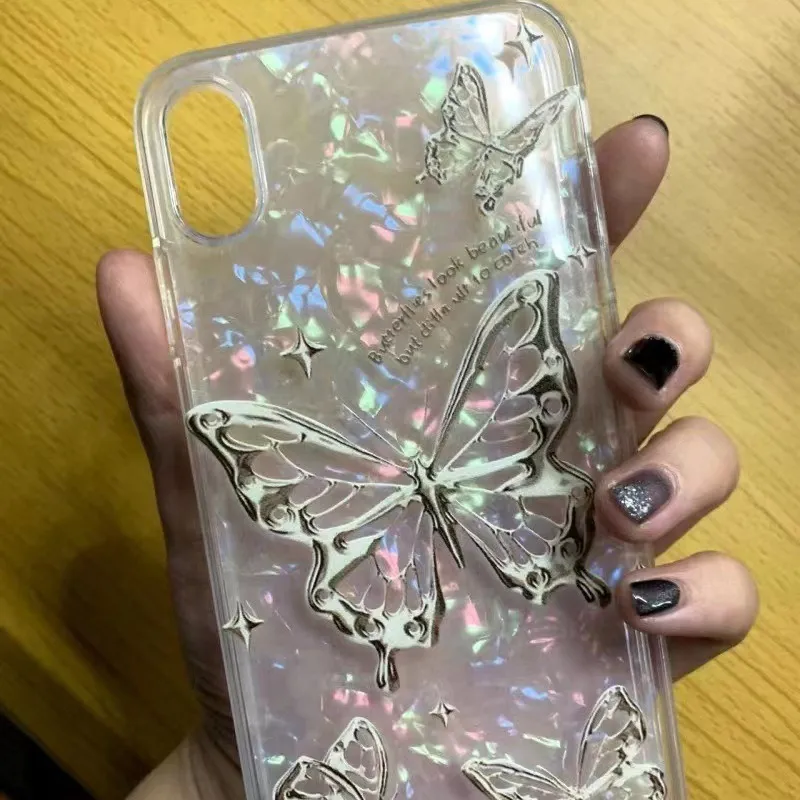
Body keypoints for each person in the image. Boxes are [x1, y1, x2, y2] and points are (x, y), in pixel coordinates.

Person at [97, 115, 758, 800]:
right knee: (555, 516)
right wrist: (225, 775)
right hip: (486, 507)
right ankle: (449, 623)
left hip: (440, 541)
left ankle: (516, 597)